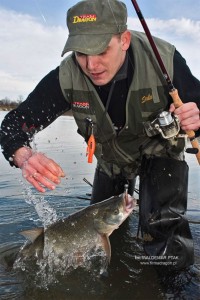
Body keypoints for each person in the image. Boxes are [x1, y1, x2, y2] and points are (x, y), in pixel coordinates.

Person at [0, 0, 200, 270]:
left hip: (161, 154)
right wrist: (23, 155)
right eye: (81, 53)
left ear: (124, 40)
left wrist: (197, 115)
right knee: (95, 232)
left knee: (164, 232)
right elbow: (12, 125)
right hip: (111, 160)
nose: (91, 64)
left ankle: (173, 286)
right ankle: (112, 277)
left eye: (102, 50)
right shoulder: (66, 75)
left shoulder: (165, 59)